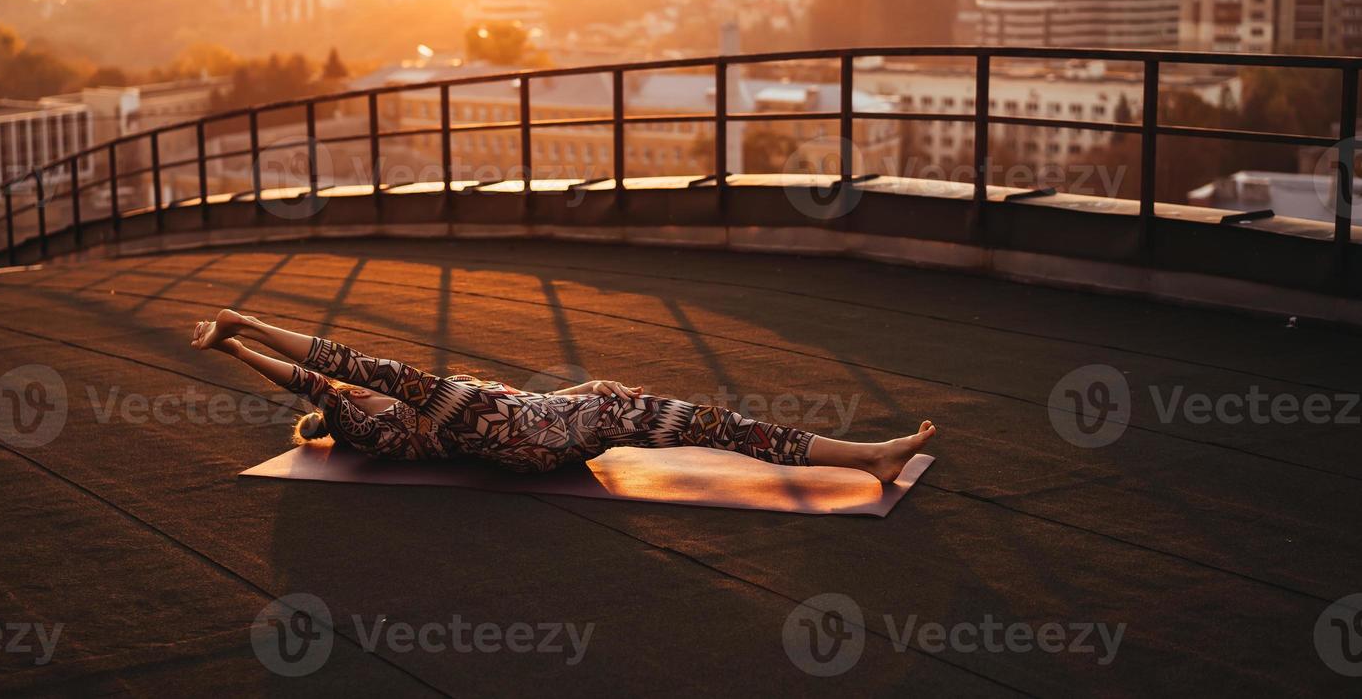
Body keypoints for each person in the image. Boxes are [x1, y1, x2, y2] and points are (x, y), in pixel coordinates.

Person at [191, 310, 935, 480]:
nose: (357, 390)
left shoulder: (375, 420)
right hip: (533, 430)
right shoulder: (386, 415)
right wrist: (242, 326)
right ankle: (866, 456)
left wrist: (230, 343)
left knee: (713, 426)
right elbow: (326, 364)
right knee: (714, 424)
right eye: (347, 394)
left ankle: (866, 458)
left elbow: (317, 375)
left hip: (552, 427)